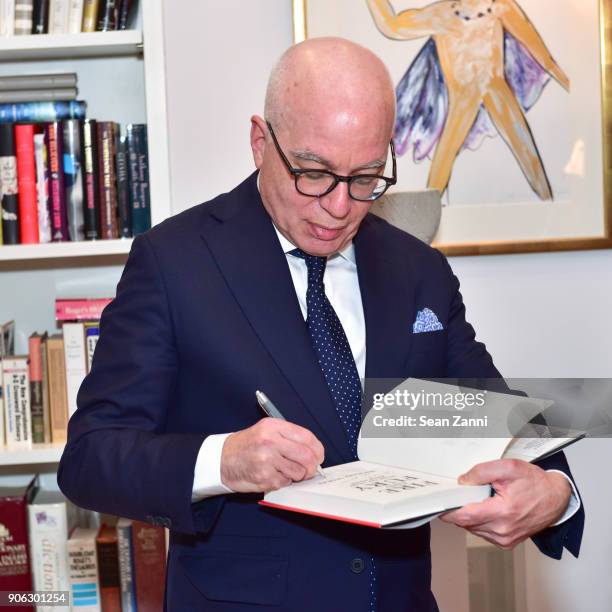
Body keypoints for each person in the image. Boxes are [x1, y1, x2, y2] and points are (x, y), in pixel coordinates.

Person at [58, 37, 583, 611]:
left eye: (366, 177)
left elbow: (495, 414)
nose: (339, 206)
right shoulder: (175, 262)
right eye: (314, 172)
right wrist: (223, 461)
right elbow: (91, 457)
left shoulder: (419, 270)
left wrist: (554, 492)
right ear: (261, 143)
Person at [366, 0, 569, 200]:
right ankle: (427, 215)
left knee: (525, 148)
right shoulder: (443, 14)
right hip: (464, 100)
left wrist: (569, 84)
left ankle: (549, 203)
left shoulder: (501, 8)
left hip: (497, 92)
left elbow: (542, 56)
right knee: (445, 156)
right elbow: (392, 26)